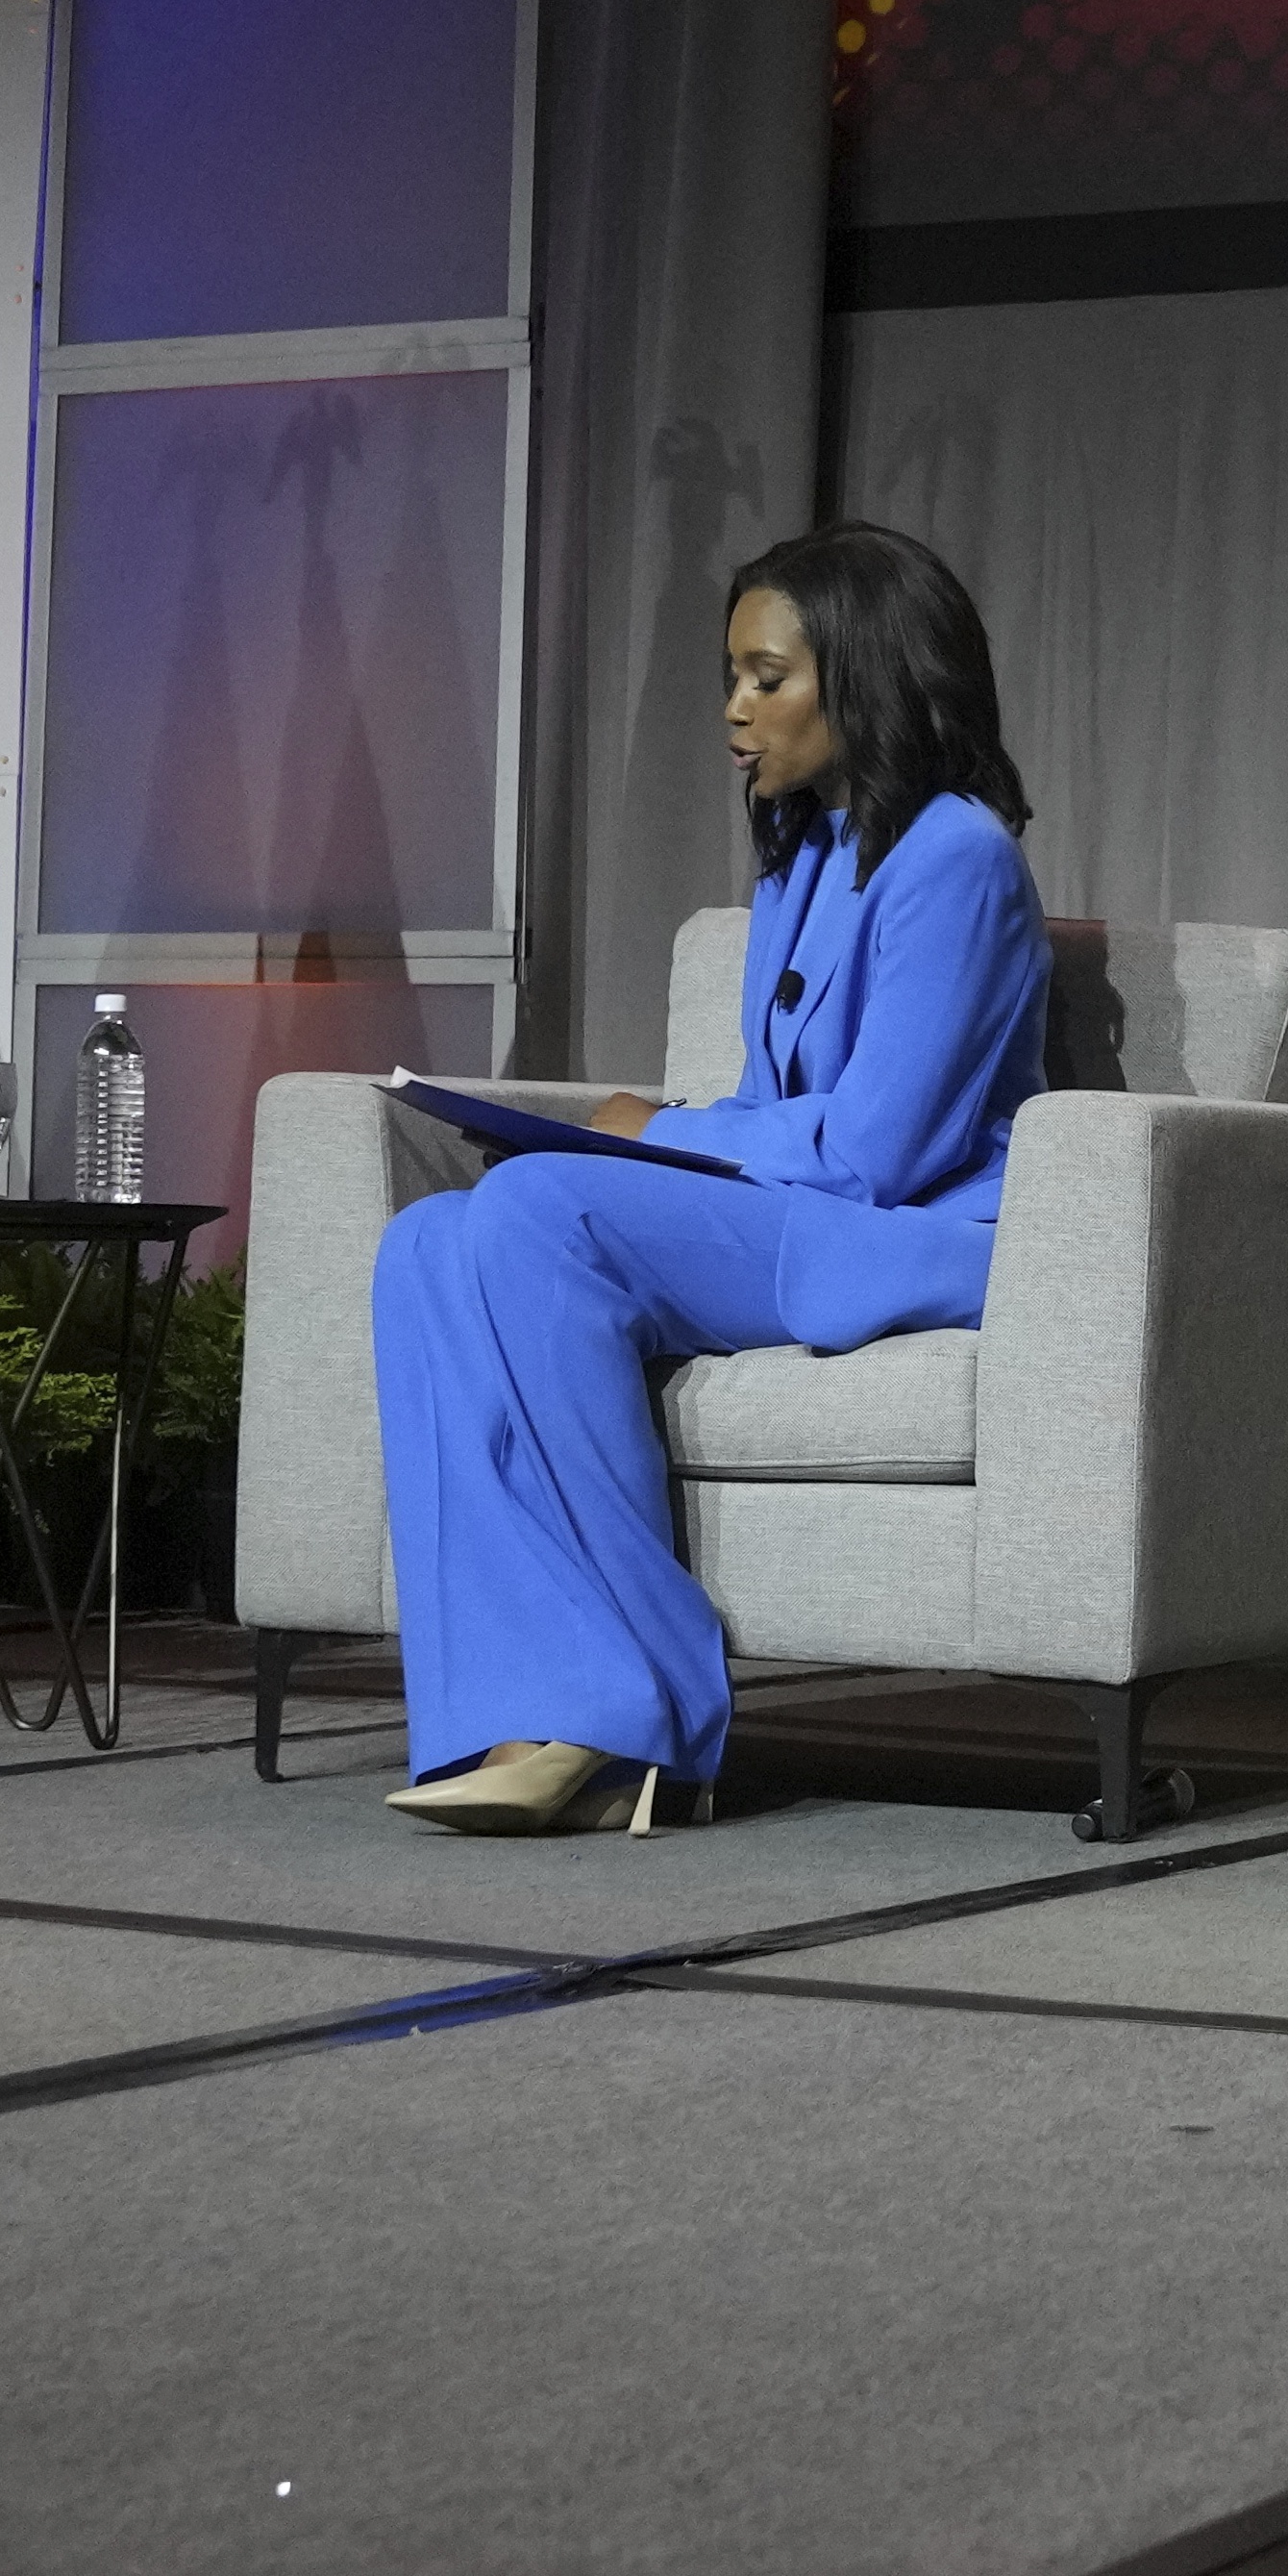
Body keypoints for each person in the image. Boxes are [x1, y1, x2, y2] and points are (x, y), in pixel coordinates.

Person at [370, 524, 1051, 1831]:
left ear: (869, 674)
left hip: (907, 1233)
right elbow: (775, 1109)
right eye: (729, 678)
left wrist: (660, 1134)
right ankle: (519, 1710)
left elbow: (877, 1152)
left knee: (536, 1207)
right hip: (801, 1215)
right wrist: (664, 1128)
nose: (736, 710)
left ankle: (635, 1714)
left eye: (767, 677)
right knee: (430, 1245)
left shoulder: (959, 854)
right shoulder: (799, 859)